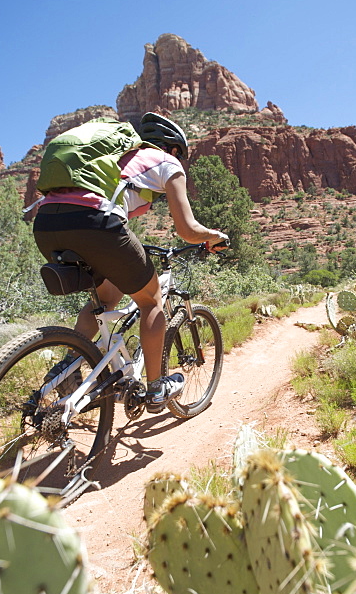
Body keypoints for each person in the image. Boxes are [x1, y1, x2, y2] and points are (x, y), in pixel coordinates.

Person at [31, 112, 229, 413]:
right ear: (174, 149)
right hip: (94, 223)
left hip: (46, 223)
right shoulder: (167, 162)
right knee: (151, 300)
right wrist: (214, 236)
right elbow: (187, 230)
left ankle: (67, 370)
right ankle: (156, 387)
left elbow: (119, 222)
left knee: (106, 299)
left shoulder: (112, 160)